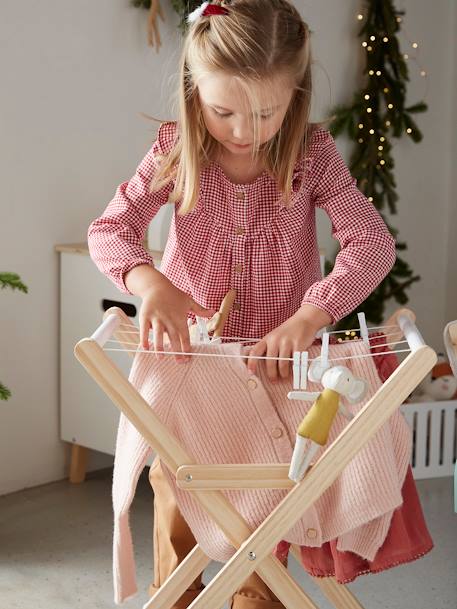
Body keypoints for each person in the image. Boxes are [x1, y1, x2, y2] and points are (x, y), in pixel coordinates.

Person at [87, 1, 411, 607]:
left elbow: (371, 243)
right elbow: (109, 230)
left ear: (297, 92)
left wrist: (311, 316)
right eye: (223, 111)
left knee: (267, 494)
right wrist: (148, 281)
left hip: (277, 369)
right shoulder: (176, 150)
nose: (243, 129)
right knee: (177, 482)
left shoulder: (312, 157)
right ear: (193, 91)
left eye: (265, 111)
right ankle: (175, 595)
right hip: (193, 364)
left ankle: (256, 598)